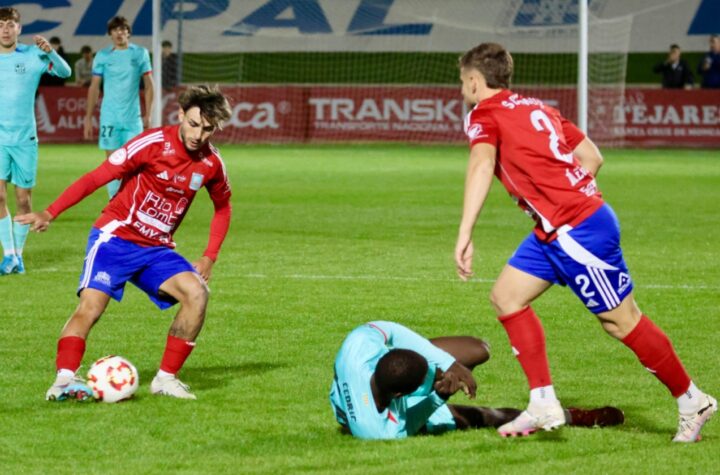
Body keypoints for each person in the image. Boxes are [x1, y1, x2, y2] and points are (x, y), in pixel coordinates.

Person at [454, 42, 716, 442]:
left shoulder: (483, 113)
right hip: (557, 230)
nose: (461, 89)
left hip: (576, 232)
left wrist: (465, 232)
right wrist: (568, 197)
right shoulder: (536, 107)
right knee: (506, 296)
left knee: (621, 321)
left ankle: (692, 400)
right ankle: (542, 403)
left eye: (462, 81)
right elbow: (591, 156)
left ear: (474, 80)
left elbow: (482, 163)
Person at [16, 85, 233, 401]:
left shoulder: (211, 163)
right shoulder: (153, 143)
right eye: (194, 124)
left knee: (197, 293)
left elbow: (223, 207)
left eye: (208, 129)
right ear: (181, 115)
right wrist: (50, 212)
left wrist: (210, 256)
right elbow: (97, 177)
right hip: (115, 239)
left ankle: (165, 379)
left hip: (156, 249)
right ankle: (63, 380)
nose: (199, 135)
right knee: (91, 306)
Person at [330, 321, 625, 440]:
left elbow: (390, 328)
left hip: (387, 380)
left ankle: (438, 366)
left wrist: (448, 364)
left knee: (477, 350)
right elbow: (410, 425)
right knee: (490, 416)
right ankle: (576, 417)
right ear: (400, 395)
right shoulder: (379, 431)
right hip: (400, 413)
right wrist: (437, 397)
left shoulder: (357, 349)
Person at [0, 7, 71, 276]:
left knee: (23, 200)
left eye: (10, 24)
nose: (5, 29)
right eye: (1, 24)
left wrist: (50, 51)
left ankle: (17, 256)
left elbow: (64, 72)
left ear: (19, 28)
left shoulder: (32, 54)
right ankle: (8, 255)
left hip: (25, 139)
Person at [83, 16, 154, 198]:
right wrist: (88, 117)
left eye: (123, 29)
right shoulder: (103, 56)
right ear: (110, 34)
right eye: (115, 30)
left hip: (133, 119)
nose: (119, 33)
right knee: (113, 163)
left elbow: (149, 85)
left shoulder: (140, 54)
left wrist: (149, 114)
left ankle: (132, 201)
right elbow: (94, 87)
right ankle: (114, 203)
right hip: (110, 118)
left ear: (128, 32)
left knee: (136, 162)